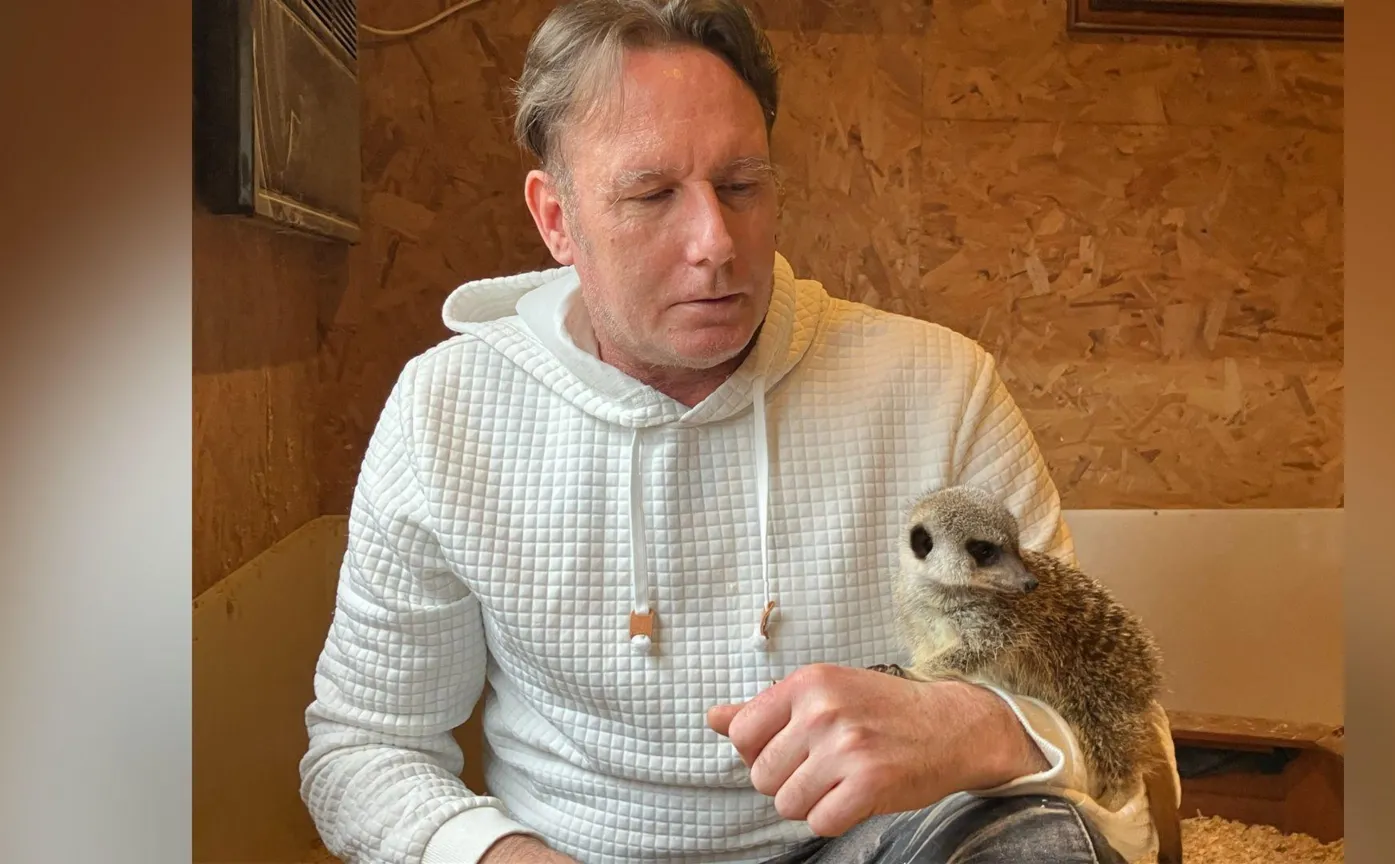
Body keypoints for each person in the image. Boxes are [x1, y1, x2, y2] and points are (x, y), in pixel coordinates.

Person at [299, 1, 1174, 862]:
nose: (716, 241)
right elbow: (364, 750)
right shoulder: (444, 410)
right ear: (556, 220)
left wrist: (976, 728)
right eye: (651, 195)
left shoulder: (940, 386)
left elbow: (1114, 725)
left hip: (882, 845)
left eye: (742, 185)